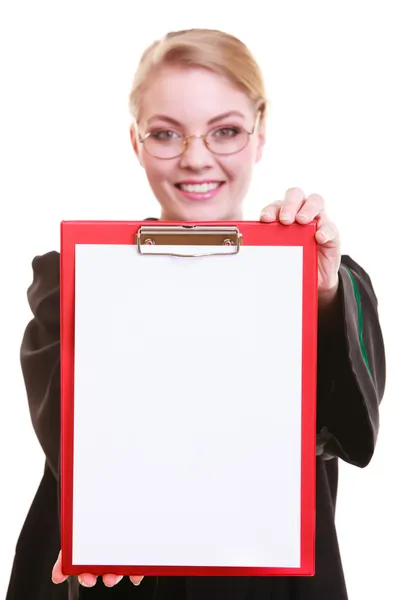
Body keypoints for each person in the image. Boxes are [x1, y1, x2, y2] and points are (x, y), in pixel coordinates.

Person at [6, 28, 385, 600]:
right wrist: (107, 514)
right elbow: (72, 434)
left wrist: (320, 292)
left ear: (259, 135)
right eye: (166, 133)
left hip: (266, 580)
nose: (196, 157)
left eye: (225, 131)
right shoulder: (74, 280)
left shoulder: (321, 281)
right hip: (118, 577)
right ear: (135, 140)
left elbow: (344, 432)